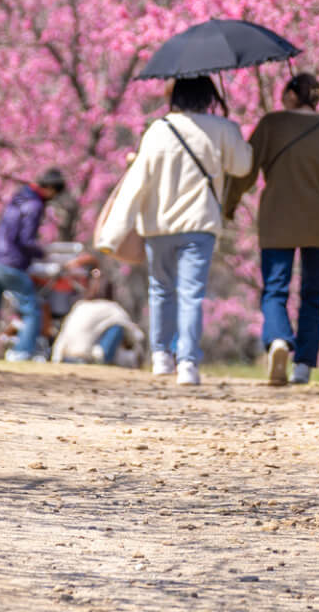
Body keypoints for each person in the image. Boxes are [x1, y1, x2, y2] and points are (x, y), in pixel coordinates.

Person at [95, 75, 252, 386]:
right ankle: (188, 363)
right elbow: (243, 166)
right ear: (209, 97)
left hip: (159, 226)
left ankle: (161, 356)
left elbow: (136, 181)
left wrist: (114, 232)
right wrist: (232, 131)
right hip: (199, 225)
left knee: (161, 290)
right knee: (192, 294)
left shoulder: (158, 130)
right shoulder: (221, 128)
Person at [226, 72, 319, 386]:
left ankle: (279, 339)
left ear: (293, 95)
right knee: (313, 294)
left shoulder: (271, 124)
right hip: (318, 220)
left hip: (277, 218)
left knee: (275, 289)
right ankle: (304, 365)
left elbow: (246, 172)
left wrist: (227, 204)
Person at [0, 168, 67, 361]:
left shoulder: (18, 199)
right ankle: (22, 351)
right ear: (50, 188)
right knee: (33, 310)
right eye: (55, 193)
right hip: (12, 264)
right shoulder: (34, 204)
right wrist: (42, 252)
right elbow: (26, 240)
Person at [49, 267, 145, 366]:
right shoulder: (112, 307)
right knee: (118, 327)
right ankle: (103, 359)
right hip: (85, 358)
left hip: (64, 357)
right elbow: (135, 335)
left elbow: (63, 334)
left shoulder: (80, 305)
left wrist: (55, 359)